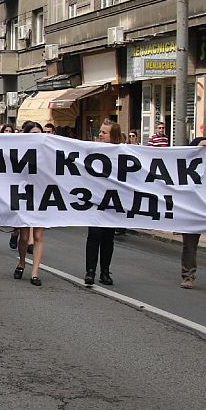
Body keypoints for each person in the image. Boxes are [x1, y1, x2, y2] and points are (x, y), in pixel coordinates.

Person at [84, 119, 123, 287]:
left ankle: (105, 272)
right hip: (95, 200)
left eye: (104, 132)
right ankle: (90, 271)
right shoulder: (92, 150)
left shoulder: (123, 152)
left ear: (113, 136)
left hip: (112, 201)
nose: (100, 135)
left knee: (108, 238)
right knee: (94, 234)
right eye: (100, 131)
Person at [179, 125, 206, 289]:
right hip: (195, 204)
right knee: (189, 243)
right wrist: (197, 148)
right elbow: (183, 157)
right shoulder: (202, 144)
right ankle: (188, 276)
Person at [13, 121, 47, 286]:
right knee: (25, 236)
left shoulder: (48, 152)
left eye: (39, 134)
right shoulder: (19, 151)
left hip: (42, 195)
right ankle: (21, 262)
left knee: (39, 235)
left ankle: (35, 273)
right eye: (33, 134)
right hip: (24, 194)